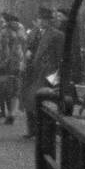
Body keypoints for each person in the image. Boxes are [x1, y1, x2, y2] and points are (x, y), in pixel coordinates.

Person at [22, 8, 65, 138]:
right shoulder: (33, 33)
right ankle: (32, 130)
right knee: (28, 100)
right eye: (40, 19)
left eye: (45, 19)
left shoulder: (57, 35)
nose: (41, 22)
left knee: (42, 101)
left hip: (46, 72)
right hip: (31, 71)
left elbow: (59, 57)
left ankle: (43, 131)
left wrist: (55, 77)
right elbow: (28, 47)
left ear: (49, 21)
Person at [0, 13, 27, 124]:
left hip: (7, 63)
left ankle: (9, 113)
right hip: (17, 62)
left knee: (8, 88)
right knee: (15, 89)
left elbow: (0, 47)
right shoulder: (20, 30)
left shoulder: (5, 31)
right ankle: (12, 113)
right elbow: (23, 46)